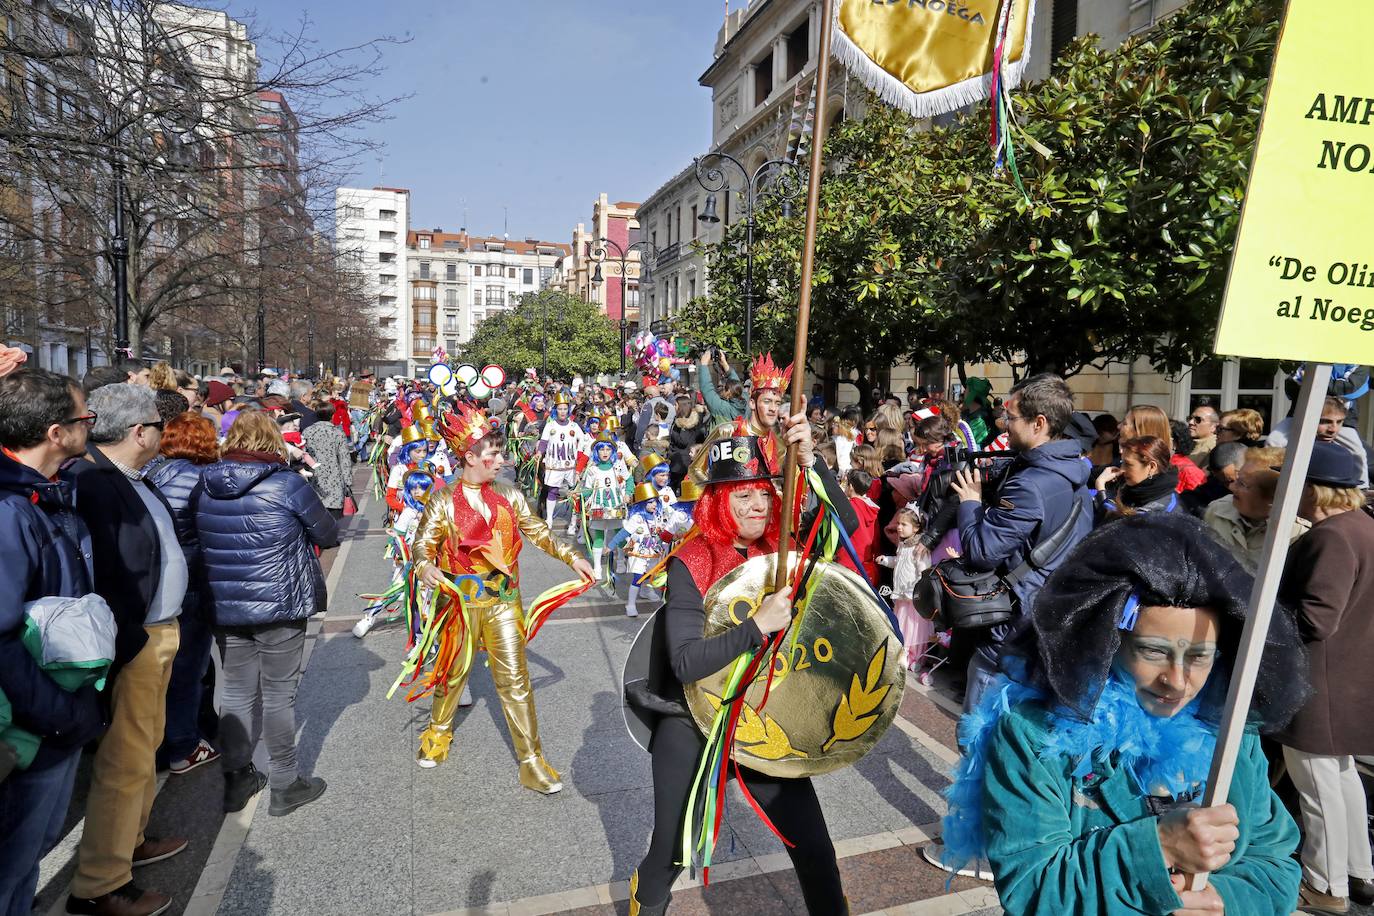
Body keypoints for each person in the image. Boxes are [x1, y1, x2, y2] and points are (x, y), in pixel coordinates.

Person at [936, 512, 1307, 914]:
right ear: (1105, 642)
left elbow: (1275, 862)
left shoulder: (1230, 731)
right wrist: (1158, 846)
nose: (1178, 681)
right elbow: (1032, 889)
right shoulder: (1034, 733)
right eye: (1153, 651)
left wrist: (1226, 900)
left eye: (1199, 657)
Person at [628, 422, 856, 916]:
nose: (758, 505)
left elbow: (848, 528)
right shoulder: (692, 559)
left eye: (764, 494)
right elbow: (685, 661)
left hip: (761, 719)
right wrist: (756, 625)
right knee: (673, 849)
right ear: (717, 502)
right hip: (692, 719)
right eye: (743, 495)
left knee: (814, 847)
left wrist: (810, 461)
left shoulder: (781, 550)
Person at [411, 403, 594, 786]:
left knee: (515, 680)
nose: (500, 460)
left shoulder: (509, 495)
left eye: (499, 453)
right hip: (458, 604)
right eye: (493, 453)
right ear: (470, 456)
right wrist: (426, 567)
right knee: (452, 674)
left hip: (504, 602)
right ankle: (438, 733)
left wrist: (573, 557)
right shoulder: (443, 500)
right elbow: (423, 546)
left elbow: (539, 531)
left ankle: (531, 761)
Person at [67, 384, 187, 916]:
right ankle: (100, 883)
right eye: (159, 428)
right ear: (140, 432)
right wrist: (132, 636)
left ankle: (131, 842)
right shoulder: (93, 481)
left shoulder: (129, 477)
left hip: (157, 632)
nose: (165, 437)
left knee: (145, 748)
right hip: (136, 637)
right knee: (126, 758)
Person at [0, 369, 108, 916]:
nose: (91, 426)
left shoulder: (46, 493)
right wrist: (57, 716)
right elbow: (0, 637)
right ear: (54, 432)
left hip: (57, 716)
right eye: (83, 418)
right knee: (14, 860)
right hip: (34, 726)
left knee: (29, 858)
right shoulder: (9, 509)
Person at [196, 411, 339, 817]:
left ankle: (237, 777)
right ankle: (285, 781)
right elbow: (327, 533)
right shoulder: (286, 484)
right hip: (280, 599)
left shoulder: (205, 484)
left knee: (237, 693)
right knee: (279, 695)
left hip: (227, 601)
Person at [949, 374, 1092, 711]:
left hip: (1011, 631)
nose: (1004, 426)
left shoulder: (1029, 485)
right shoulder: (1075, 472)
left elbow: (982, 552)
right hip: (1049, 620)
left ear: (1039, 423)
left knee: (976, 740)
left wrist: (970, 502)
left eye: (1011, 419)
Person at [1276, 440, 1374, 915]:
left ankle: (1326, 886)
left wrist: (1265, 619)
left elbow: (1317, 619)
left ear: (1314, 489)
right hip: (1347, 679)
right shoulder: (1363, 527)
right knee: (1341, 778)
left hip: (1320, 684)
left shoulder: (1332, 535)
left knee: (1319, 788)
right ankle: (1359, 873)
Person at [146, 413, 222, 777]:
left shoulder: (154, 472)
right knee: (189, 665)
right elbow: (210, 533)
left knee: (163, 668)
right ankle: (183, 744)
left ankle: (161, 742)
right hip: (191, 579)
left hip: (157, 579)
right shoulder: (202, 478)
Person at [688, 353, 791, 485]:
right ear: (752, 403)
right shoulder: (727, 432)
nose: (773, 408)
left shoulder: (780, 445)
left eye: (777, 403)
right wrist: (723, 493)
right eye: (767, 401)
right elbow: (695, 470)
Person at [1203, 447, 1309, 573]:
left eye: (1242, 484)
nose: (1232, 487)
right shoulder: (1217, 510)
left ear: (1273, 498)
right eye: (1237, 479)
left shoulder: (1296, 535)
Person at [1269, 396, 1369, 487]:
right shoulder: (1283, 442)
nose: (1333, 429)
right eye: (1324, 421)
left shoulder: (1357, 453)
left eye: (1339, 422)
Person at [878, 507, 933, 673]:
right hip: (902, 595)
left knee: (913, 628)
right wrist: (886, 560)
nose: (899, 527)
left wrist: (915, 591)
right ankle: (900, 652)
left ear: (916, 528)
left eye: (904, 524)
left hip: (912, 598)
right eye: (898, 524)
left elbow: (924, 572)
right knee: (901, 626)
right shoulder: (903, 545)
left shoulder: (919, 548)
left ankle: (914, 656)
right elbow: (899, 562)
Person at [1094, 436, 1180, 520]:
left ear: (1152, 467)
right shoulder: (1133, 490)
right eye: (1122, 462)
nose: (1122, 469)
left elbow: (1124, 525)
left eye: (1128, 464)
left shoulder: (1163, 508)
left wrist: (1101, 489)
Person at [539, 391, 588, 530]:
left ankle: (573, 522)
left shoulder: (574, 426)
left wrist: (580, 458)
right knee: (553, 491)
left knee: (574, 493)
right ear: (556, 410)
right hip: (554, 465)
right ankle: (549, 519)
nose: (562, 412)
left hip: (571, 466)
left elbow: (583, 442)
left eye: (565, 409)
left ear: (568, 410)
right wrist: (538, 453)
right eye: (560, 409)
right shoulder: (550, 425)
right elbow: (543, 442)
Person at [301, 403, 355, 519]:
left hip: (315, 478)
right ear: (332, 415)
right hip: (335, 479)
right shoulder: (337, 433)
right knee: (334, 515)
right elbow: (345, 460)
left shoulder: (307, 432)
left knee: (318, 514)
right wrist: (348, 482)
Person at [1182, 440, 1248, 516]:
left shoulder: (1261, 485)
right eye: (1224, 482)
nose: (1231, 487)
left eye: (1233, 480)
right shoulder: (1211, 488)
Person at [695, 350, 746, 428]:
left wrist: (704, 363)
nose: (720, 391)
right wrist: (724, 364)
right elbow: (737, 385)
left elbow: (707, 389)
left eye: (723, 388)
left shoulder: (723, 408)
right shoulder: (746, 401)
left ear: (728, 391)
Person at [1167, 419, 1207, 493]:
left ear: (1176, 443)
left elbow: (1197, 501)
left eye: (1163, 436)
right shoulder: (1157, 464)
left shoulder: (1190, 471)